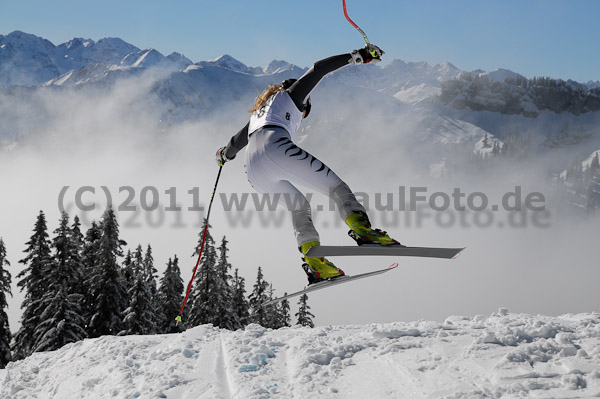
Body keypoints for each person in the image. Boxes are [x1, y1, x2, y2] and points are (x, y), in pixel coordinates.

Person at [216, 45, 400, 284]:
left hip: (251, 168)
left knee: (299, 207)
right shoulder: (290, 95)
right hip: (275, 147)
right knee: (337, 188)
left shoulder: (257, 114)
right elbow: (319, 69)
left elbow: (235, 143)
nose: (303, 113)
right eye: (305, 110)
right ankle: (365, 232)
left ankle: (316, 263)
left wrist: (224, 155)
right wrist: (358, 57)